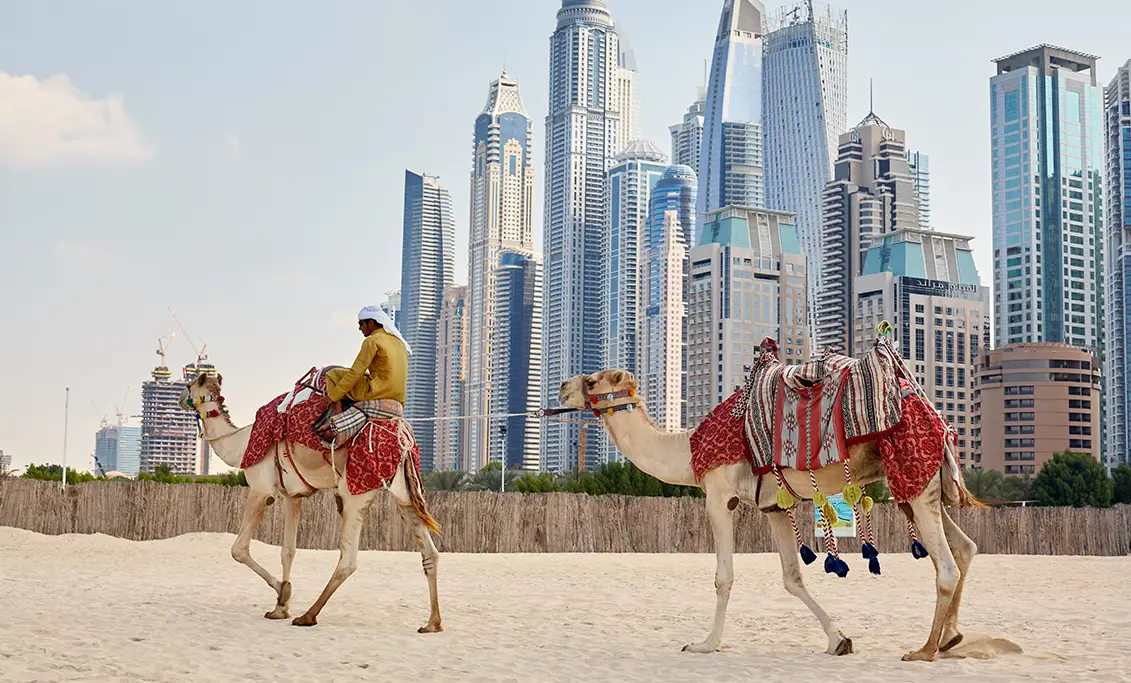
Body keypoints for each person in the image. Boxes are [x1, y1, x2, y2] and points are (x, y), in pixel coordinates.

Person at [315, 306, 412, 447]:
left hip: (377, 392)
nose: (360, 328)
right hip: (398, 398)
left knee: (333, 373)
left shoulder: (372, 341)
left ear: (371, 323)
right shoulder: (398, 343)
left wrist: (332, 397)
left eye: (361, 324)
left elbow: (355, 373)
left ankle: (336, 413)